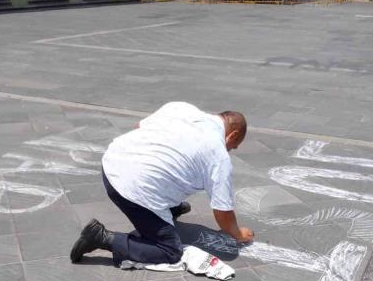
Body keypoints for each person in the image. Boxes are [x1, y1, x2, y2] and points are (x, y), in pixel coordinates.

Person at [70, 102, 254, 266]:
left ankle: (168, 208)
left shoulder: (182, 108)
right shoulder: (218, 154)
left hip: (111, 162)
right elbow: (223, 211)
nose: (230, 150)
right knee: (170, 251)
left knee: (177, 168)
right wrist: (237, 234)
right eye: (233, 146)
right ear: (233, 135)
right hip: (132, 189)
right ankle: (102, 238)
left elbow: (139, 127)